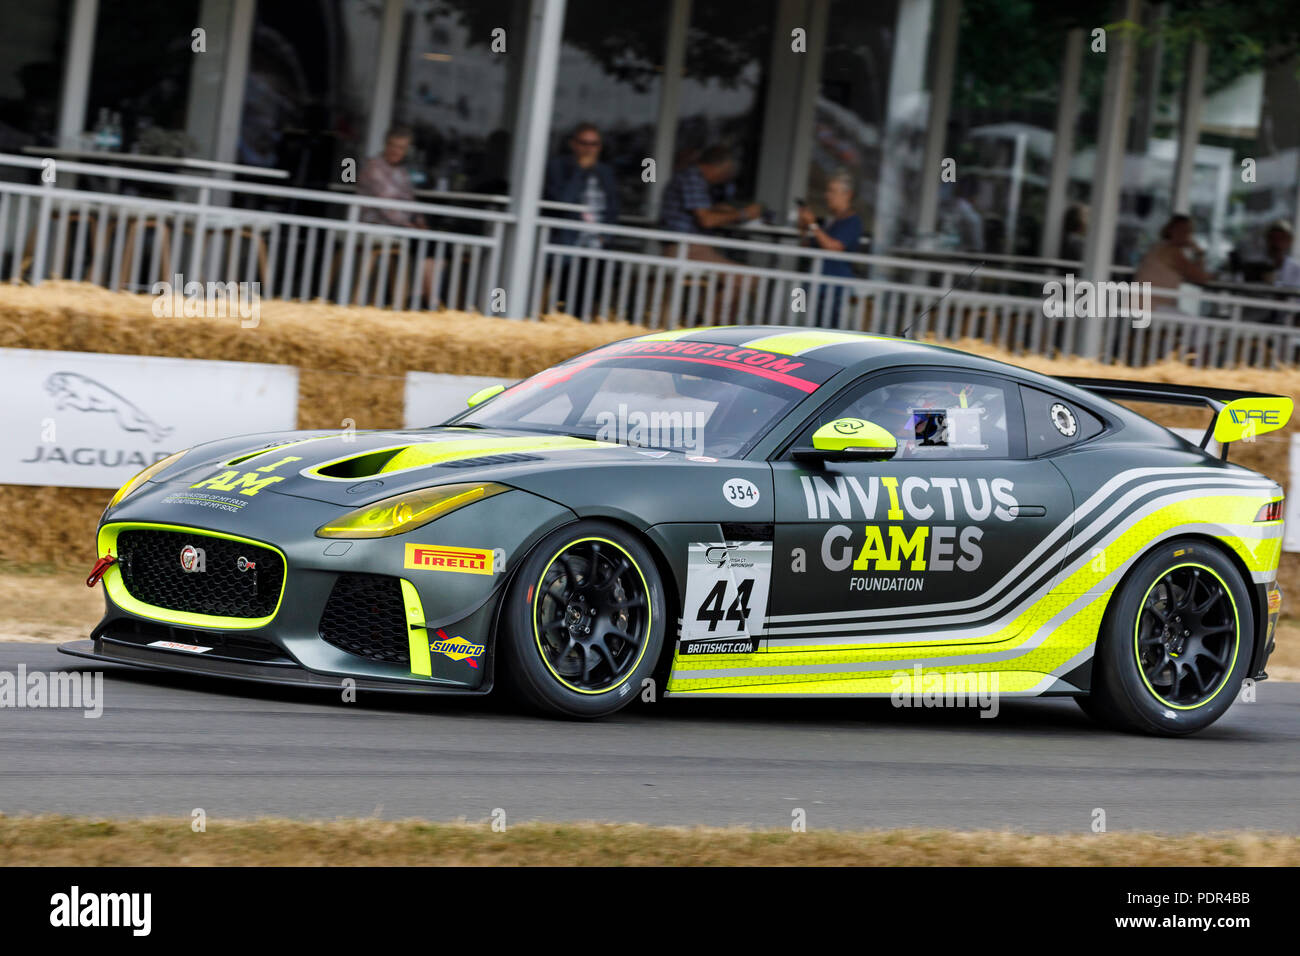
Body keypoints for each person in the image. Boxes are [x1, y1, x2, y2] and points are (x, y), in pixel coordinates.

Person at [542, 122, 620, 316]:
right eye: (584, 143)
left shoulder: (605, 172)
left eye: (594, 144)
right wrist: (580, 171)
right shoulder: (557, 166)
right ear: (573, 144)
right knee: (561, 295)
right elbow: (561, 201)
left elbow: (613, 207)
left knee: (591, 295)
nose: (589, 149)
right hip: (566, 243)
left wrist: (606, 236)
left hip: (597, 245)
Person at [357, 125, 438, 305]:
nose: (396, 150)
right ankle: (429, 300)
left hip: (399, 226)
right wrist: (409, 225)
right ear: (386, 144)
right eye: (393, 145)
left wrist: (419, 220)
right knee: (423, 242)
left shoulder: (402, 172)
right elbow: (385, 206)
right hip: (377, 224)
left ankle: (420, 297)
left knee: (432, 243)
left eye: (401, 147)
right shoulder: (373, 168)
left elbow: (410, 200)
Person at [658, 143, 762, 263]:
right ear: (716, 167)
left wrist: (720, 209)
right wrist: (744, 213)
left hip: (690, 246)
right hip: (685, 248)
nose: (725, 177)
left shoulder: (698, 180)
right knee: (751, 279)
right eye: (725, 172)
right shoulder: (692, 179)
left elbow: (701, 212)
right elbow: (707, 220)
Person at [797, 171, 863, 327]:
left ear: (848, 194)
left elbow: (834, 247)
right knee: (807, 328)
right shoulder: (831, 220)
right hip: (817, 286)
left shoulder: (853, 221)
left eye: (833, 191)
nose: (828, 196)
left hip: (834, 289)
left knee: (827, 332)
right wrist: (804, 226)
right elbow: (807, 245)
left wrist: (813, 225)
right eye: (828, 191)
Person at [1135, 214, 1212, 312]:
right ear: (1174, 231)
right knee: (1197, 326)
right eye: (1186, 231)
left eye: (1189, 232)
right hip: (1150, 308)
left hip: (1140, 305)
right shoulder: (1172, 252)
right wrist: (1199, 253)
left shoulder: (1159, 247)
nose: (1188, 236)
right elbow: (1201, 278)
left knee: (1186, 320)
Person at [1265, 219, 1300, 289]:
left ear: (1289, 241)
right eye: (1273, 238)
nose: (1277, 243)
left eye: (1281, 238)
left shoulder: (1297, 268)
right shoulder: (1259, 264)